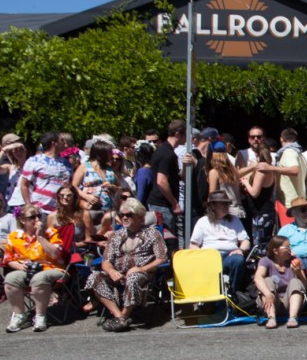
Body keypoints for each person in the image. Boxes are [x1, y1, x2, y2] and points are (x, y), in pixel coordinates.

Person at [86, 198, 167, 332]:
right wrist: (111, 271)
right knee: (95, 277)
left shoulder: (152, 233)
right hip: (118, 274)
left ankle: (124, 315)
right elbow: (106, 261)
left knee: (133, 277)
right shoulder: (116, 235)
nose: (124, 218)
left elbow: (162, 258)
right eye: (121, 215)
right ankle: (119, 317)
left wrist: (141, 268)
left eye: (129, 215)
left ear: (140, 217)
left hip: (142, 274)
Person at [2, 205, 66, 333]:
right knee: (11, 278)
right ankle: (19, 315)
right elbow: (8, 259)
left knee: (39, 278)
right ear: (22, 220)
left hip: (51, 268)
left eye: (39, 216)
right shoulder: (14, 236)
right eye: (32, 217)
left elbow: (55, 255)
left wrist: (40, 237)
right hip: (26, 269)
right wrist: (19, 266)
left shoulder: (51, 232)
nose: (37, 220)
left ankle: (40, 316)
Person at [189, 190, 250, 295]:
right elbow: (193, 245)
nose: (226, 206)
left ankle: (233, 292)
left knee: (238, 260)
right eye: (223, 203)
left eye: (227, 203)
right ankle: (216, 294)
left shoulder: (235, 220)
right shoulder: (203, 221)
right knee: (210, 265)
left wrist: (240, 249)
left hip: (230, 255)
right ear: (213, 205)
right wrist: (204, 255)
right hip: (210, 257)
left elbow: (245, 241)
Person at [147, 119, 186, 249]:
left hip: (162, 204)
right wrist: (174, 203)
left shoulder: (165, 150)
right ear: (178, 134)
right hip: (162, 205)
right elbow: (161, 181)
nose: (187, 138)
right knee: (165, 243)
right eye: (185, 134)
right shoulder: (167, 154)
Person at [253, 235, 307, 329]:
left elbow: (304, 285)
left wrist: (298, 273)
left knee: (295, 281)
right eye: (287, 247)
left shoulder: (294, 261)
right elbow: (258, 278)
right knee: (267, 280)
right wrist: (267, 293)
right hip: (272, 300)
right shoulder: (265, 261)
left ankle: (293, 317)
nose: (290, 249)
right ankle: (271, 318)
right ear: (275, 251)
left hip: (290, 302)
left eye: (290, 247)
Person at [20, 131, 71, 216]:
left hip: (61, 210)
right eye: (62, 140)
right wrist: (28, 205)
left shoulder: (66, 163)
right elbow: (24, 184)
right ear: (54, 143)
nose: (65, 143)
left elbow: (69, 184)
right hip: (40, 210)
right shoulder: (34, 161)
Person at [207, 141, 244, 220]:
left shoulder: (214, 172)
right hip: (239, 211)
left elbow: (212, 195)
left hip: (225, 213)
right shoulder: (233, 171)